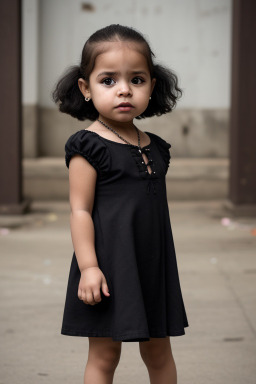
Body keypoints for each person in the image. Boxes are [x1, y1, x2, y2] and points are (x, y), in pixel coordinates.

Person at [53, 24, 189, 384]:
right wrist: (88, 268)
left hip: (152, 266)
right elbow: (79, 210)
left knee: (159, 351)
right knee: (104, 354)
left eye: (137, 79)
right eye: (108, 80)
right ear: (86, 88)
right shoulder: (88, 146)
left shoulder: (155, 147)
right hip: (107, 268)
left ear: (152, 86)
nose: (124, 89)